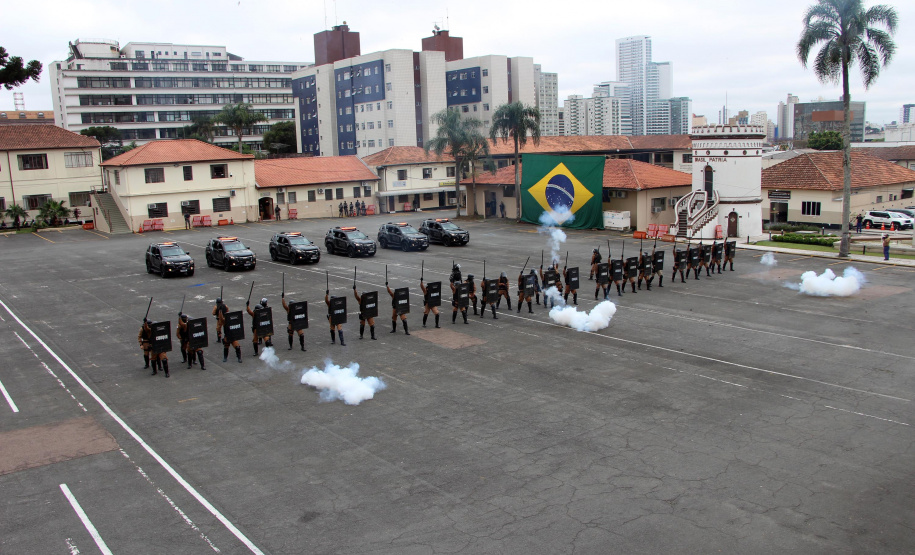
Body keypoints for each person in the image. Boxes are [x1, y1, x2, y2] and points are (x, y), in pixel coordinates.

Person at [214, 298, 242, 363]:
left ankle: (239, 358)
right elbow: (221, 318)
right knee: (226, 347)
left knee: (237, 347)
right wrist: (220, 311)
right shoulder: (225, 321)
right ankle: (225, 357)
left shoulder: (233, 320)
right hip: (227, 336)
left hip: (233, 336)